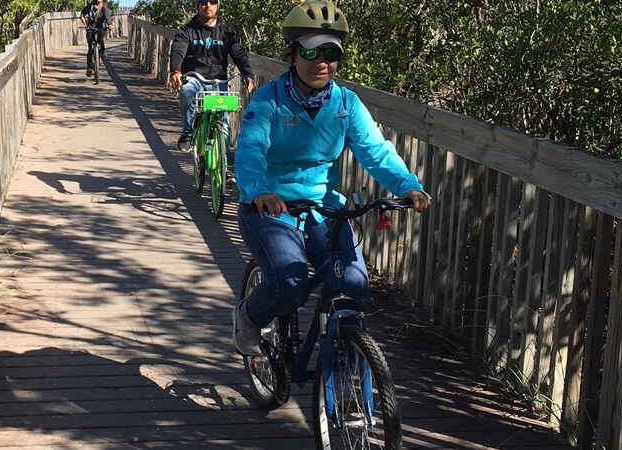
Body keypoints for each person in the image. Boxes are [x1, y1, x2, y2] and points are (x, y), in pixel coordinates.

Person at [231, 1, 431, 355]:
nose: (321, 62)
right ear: (292, 54)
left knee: (353, 285)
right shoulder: (268, 101)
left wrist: (407, 185)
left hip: (325, 210)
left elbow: (376, 151)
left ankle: (340, 366)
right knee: (288, 286)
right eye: (311, 51)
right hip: (269, 209)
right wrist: (259, 190)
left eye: (331, 52)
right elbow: (250, 149)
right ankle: (248, 317)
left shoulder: (346, 104)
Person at [168, 0, 256, 153]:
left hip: (218, 80)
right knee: (186, 92)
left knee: (224, 122)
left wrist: (247, 74)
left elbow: (239, 54)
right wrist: (176, 71)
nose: (207, 5)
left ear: (218, 6)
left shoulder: (226, 32)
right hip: (195, 78)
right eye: (203, 2)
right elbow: (177, 50)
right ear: (197, 6)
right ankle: (187, 133)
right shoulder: (186, 31)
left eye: (212, 2)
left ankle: (222, 163)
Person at [80, 0, 114, 77]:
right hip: (90, 28)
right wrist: (85, 23)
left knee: (100, 40)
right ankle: (89, 67)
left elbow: (108, 16)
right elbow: (82, 14)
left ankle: (102, 54)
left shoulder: (105, 8)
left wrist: (109, 24)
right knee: (90, 47)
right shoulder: (90, 6)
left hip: (101, 28)